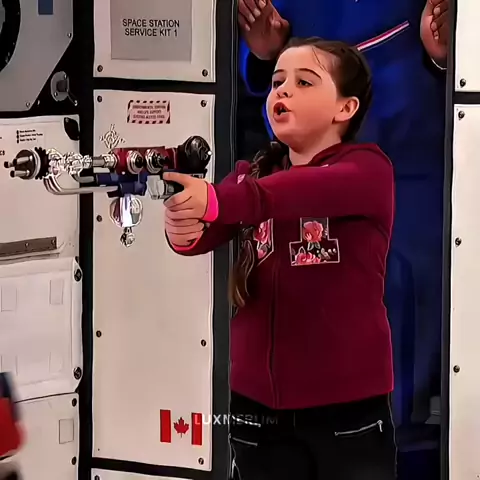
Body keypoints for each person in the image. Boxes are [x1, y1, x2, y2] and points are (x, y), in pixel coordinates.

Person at [163, 37, 396, 479]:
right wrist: (183, 224)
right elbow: (203, 235)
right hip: (255, 409)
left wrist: (217, 201)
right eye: (276, 82)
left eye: (304, 82)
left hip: (347, 409)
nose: (283, 90)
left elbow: (295, 192)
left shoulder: (368, 170)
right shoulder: (252, 176)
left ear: (345, 108)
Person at [238, 0, 449, 434]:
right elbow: (253, 73)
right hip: (304, 174)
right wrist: (264, 55)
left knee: (405, 328)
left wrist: (447, 55)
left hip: (413, 171)